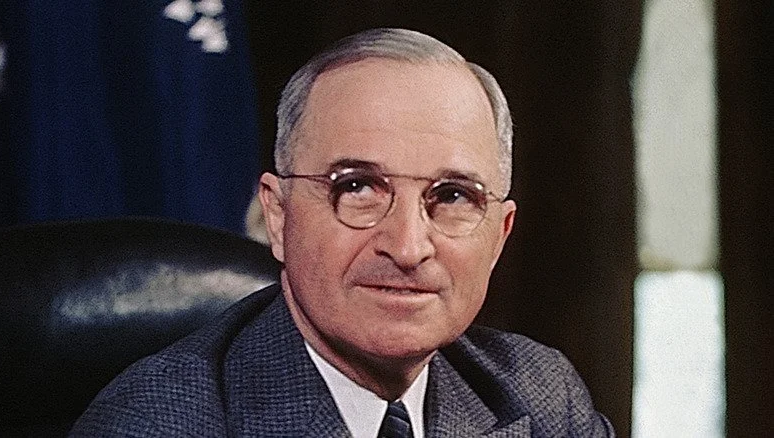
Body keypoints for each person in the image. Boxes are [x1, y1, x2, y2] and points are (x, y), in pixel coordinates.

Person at [71, 28, 613, 437]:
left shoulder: (540, 398)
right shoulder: (158, 422)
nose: (407, 247)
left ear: (499, 235)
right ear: (279, 218)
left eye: (452, 197)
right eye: (357, 189)